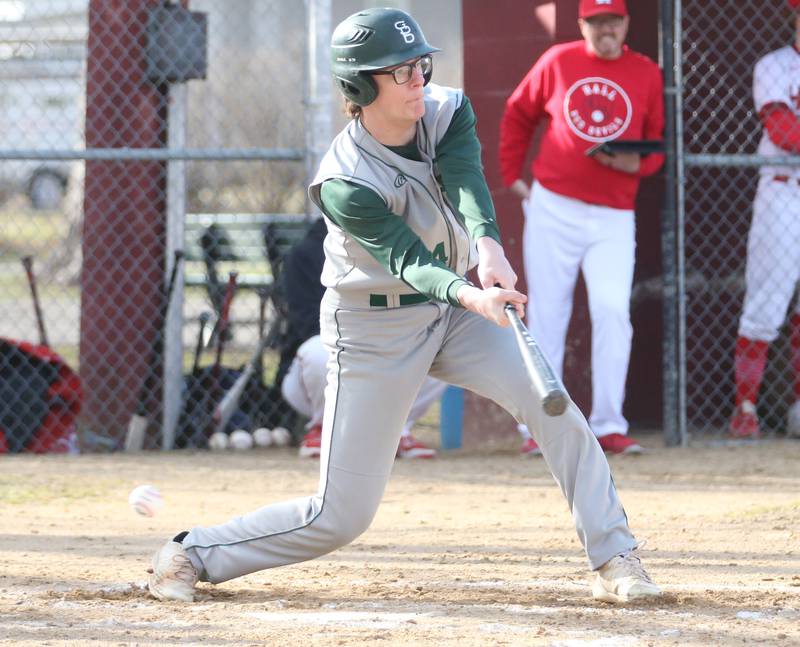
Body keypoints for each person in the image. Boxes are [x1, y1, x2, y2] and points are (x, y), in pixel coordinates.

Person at [146, 7, 661, 605]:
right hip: (373, 326)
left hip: (451, 315)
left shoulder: (445, 110)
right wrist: (475, 293)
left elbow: (467, 179)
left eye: (421, 64)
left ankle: (616, 558)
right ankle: (191, 552)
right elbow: (408, 260)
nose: (419, 78)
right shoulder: (345, 179)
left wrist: (488, 246)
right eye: (401, 71)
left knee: (553, 409)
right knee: (340, 514)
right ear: (361, 87)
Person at [498, 0, 665, 456]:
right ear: (582, 24)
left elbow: (656, 144)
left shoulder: (646, 71)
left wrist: (640, 162)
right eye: (596, 22)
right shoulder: (559, 60)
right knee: (548, 314)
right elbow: (518, 112)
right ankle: (540, 427)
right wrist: (514, 176)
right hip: (555, 205)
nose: (605, 29)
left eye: (612, 20)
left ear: (626, 22)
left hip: (613, 212)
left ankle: (609, 423)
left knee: (612, 311)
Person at [279, 218, 444, 459]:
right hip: (328, 352)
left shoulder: (394, 245)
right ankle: (325, 426)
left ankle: (396, 429)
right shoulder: (305, 253)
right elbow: (306, 324)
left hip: (385, 349)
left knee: (437, 354)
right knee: (319, 351)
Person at [729, 0, 800, 440]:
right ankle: (745, 409)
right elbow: (784, 132)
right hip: (783, 193)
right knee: (766, 305)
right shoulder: (775, 65)